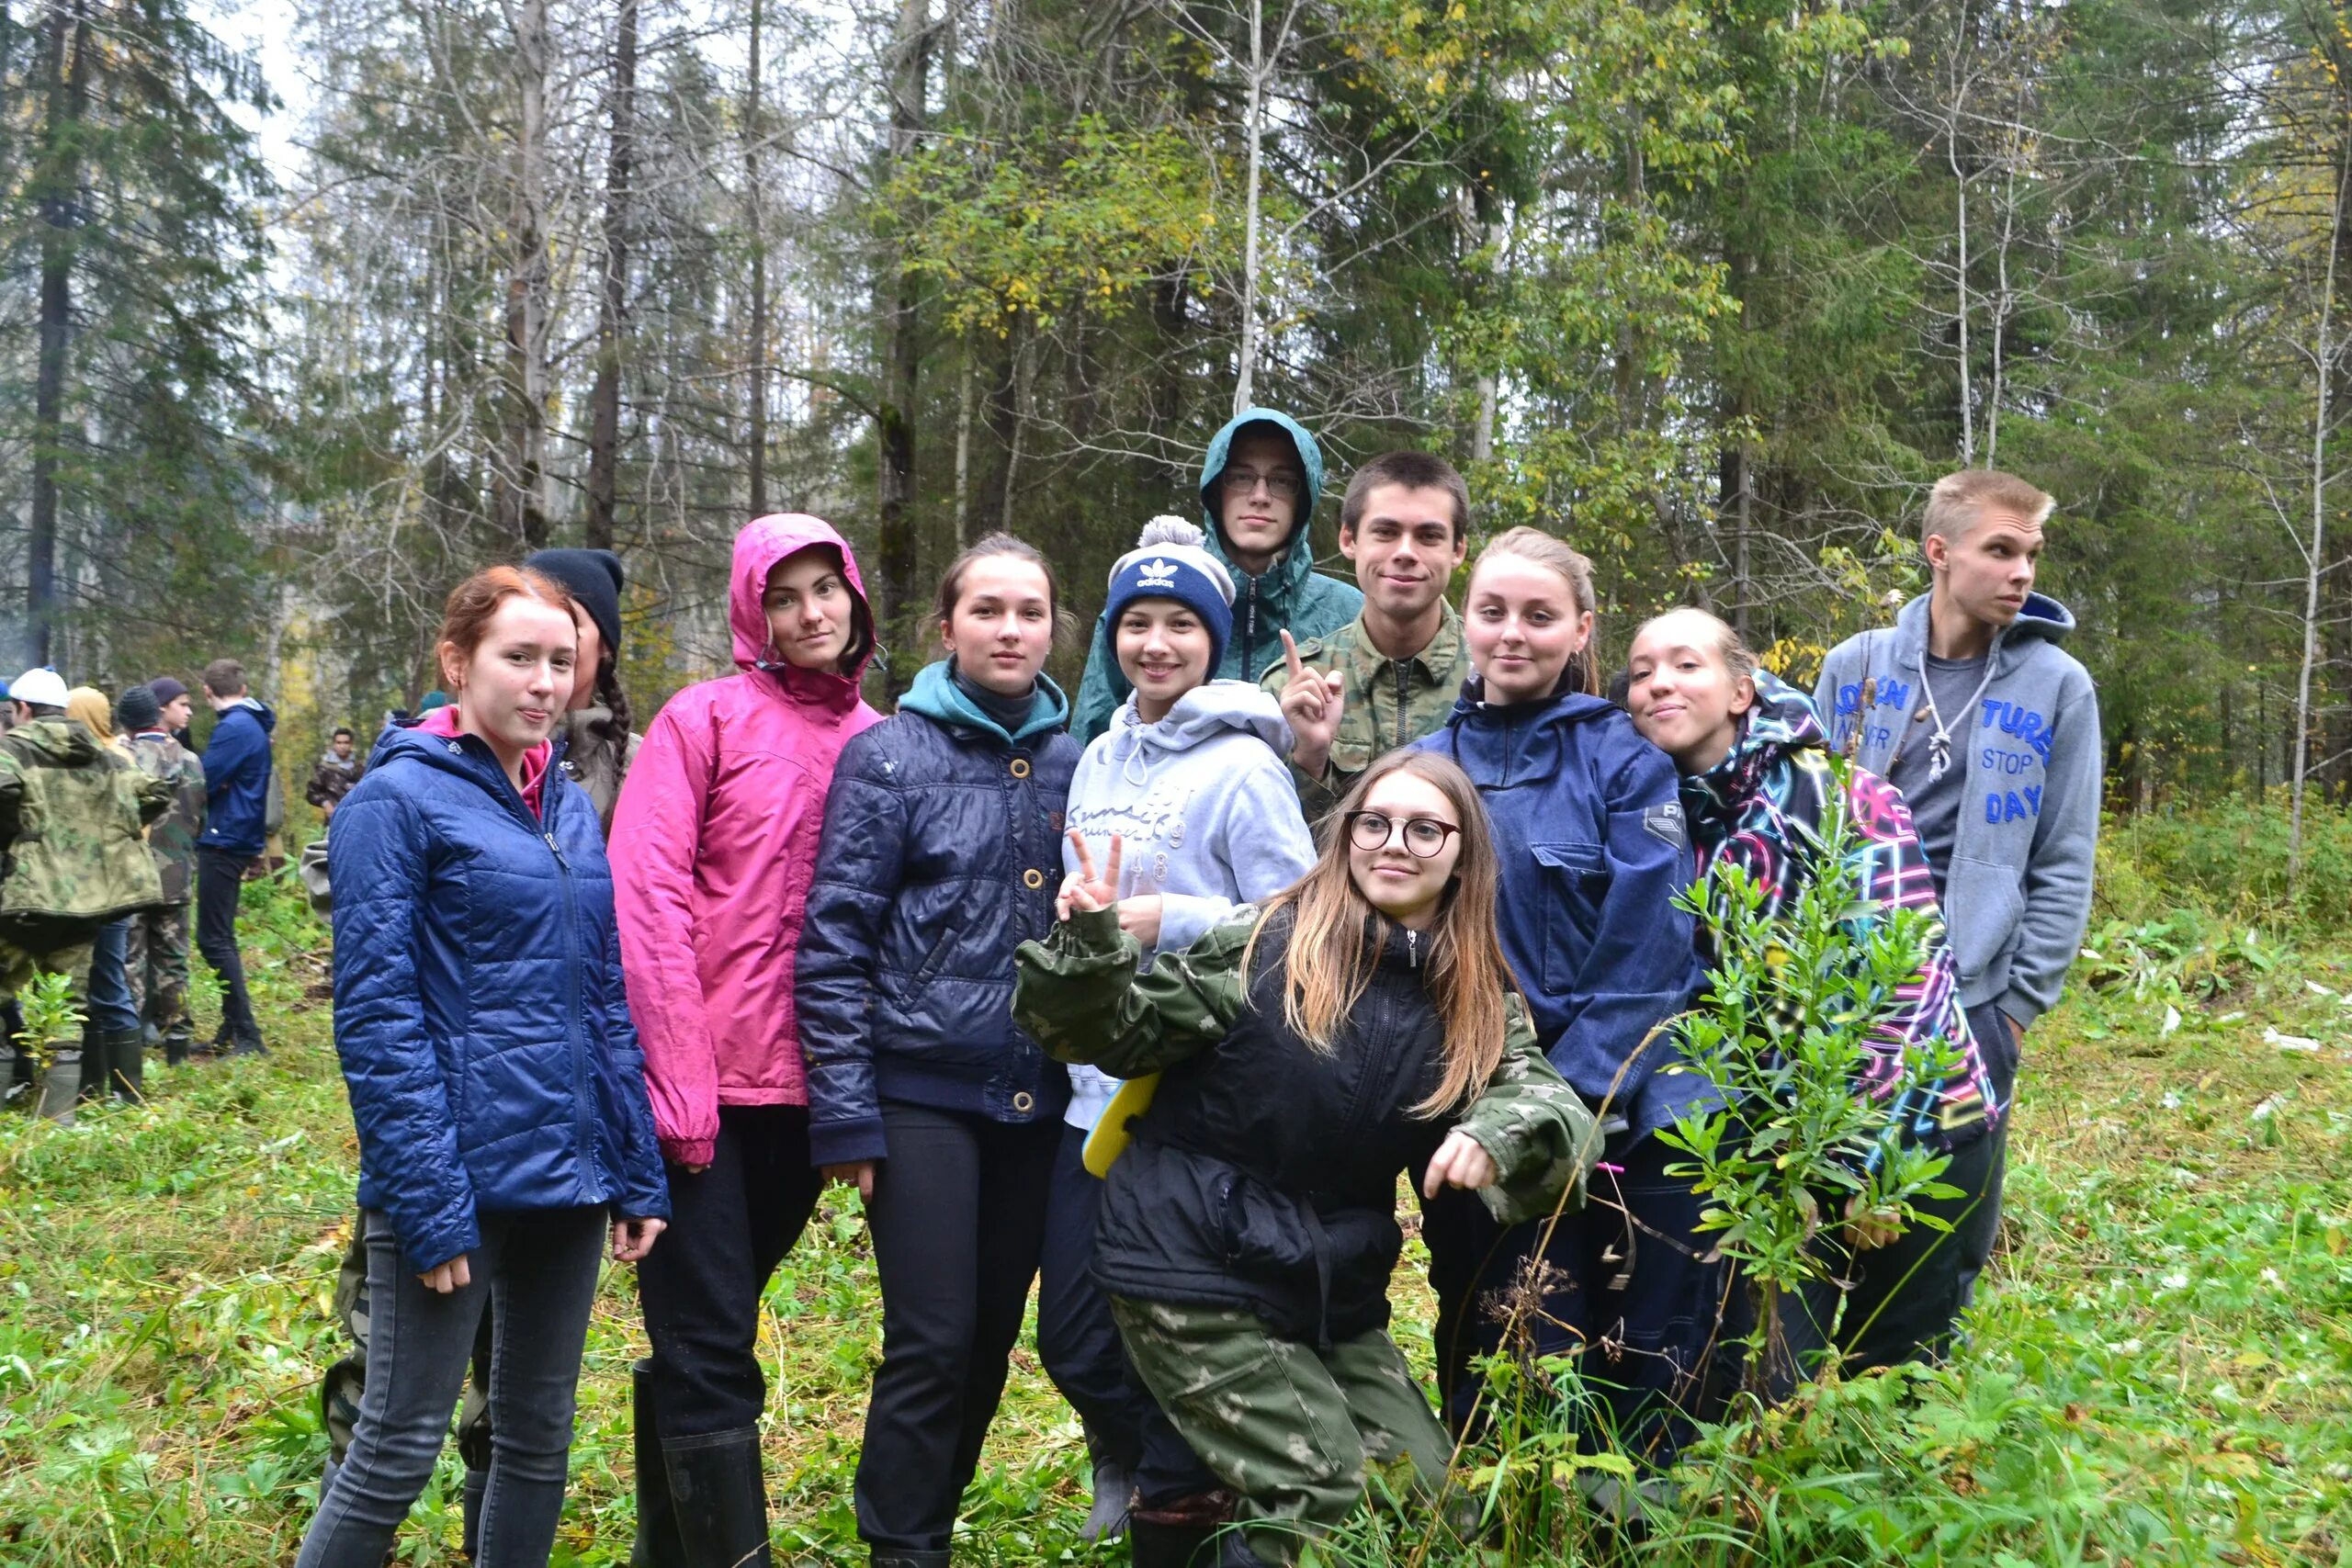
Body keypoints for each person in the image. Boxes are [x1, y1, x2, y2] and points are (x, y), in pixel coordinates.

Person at [1013, 751, 1594, 1567]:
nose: (1395, 844)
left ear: (1464, 852)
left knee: (1432, 1502)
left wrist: (1492, 1132)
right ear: (1345, 833)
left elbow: (1554, 1105)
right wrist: (1090, 949)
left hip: (1326, 1282)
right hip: (1189, 1257)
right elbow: (1113, 1035)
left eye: (1426, 828)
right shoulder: (1265, 942)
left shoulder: (1472, 990)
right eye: (1374, 823)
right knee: (1322, 1488)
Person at [300, 566, 668, 1568]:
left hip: (567, 1179)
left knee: (537, 1438)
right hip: (454, 1179)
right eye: (519, 659)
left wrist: (633, 1166)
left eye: (561, 661)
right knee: (395, 1450)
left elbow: (601, 997)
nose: (545, 682)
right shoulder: (394, 801)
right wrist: (425, 1195)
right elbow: (377, 1019)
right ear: (458, 663)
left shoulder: (566, 809)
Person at [797, 533, 1081, 1568]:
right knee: (931, 1337)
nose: (1011, 630)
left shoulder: (1077, 757)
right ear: (947, 627)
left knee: (991, 1343)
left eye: (1031, 612)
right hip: (920, 1093)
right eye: (989, 610)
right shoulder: (889, 757)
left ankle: (929, 1520)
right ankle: (900, 1548)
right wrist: (845, 1109)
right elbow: (834, 939)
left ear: (1055, 629)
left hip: (1036, 1098)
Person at [1624, 607, 2003, 1385]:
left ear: (1741, 689)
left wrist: (1845, 1162)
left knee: (1894, 1380)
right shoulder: (1661, 817)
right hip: (1777, 1147)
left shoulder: (1837, 799)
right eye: (1639, 670)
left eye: (1685, 663)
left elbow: (1902, 990)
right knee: (1766, 1381)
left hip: (1915, 1133)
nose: (1658, 680)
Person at [610, 515, 882, 1567]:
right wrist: (676, 1087)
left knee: (701, 1331)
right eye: (784, 595)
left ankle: (663, 1554)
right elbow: (647, 899)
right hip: (706, 1096)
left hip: (812, 1101)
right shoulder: (703, 720)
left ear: (855, 596)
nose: (811, 614)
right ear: (750, 610)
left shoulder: (878, 741)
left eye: (827, 590)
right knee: (713, 1341)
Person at [1411, 528, 1710, 1465]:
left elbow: (1651, 950)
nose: (1511, 634)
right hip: (1465, 1101)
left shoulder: (1625, 761)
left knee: (1630, 1344)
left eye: (1538, 616)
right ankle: (1490, 1512)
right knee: (1492, 1327)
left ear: (1580, 629)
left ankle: (1626, 1520)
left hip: (1618, 1103)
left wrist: (1551, 1100)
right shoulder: (1426, 764)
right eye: (1492, 612)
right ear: (1465, 620)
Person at [1047, 516, 1318, 1546]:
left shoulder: (1246, 768)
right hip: (1092, 1092)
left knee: (1177, 1335)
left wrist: (1179, 920)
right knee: (1074, 1341)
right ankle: (1133, 1458)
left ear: (1213, 641)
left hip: (1196, 1097)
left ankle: (1194, 1514)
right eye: (1138, 624)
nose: (1156, 644)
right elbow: (1090, 897)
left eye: (1181, 626)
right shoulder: (1097, 758)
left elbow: (1300, 919)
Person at [1814, 469, 2100, 1308]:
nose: (2022, 572)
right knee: (1826, 1188)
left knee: (1944, 1221)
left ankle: (1908, 1397)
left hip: (1973, 991)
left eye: (2032, 554)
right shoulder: (1856, 666)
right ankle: (1802, 1401)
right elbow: (1809, 818)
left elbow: (2064, 854)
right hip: (1848, 986)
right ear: (1940, 553)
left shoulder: (2058, 685)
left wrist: (2014, 1004)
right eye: (2000, 550)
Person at [1073, 409, 1363, 745]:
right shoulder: (1141, 609)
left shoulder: (1348, 616)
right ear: (1215, 491)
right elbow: (1089, 746)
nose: (1260, 496)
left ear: (1304, 498)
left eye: (1282, 481)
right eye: (1241, 477)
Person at [1262, 451, 1474, 822]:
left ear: (1458, 550)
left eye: (1428, 536)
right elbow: (1267, 843)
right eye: (1386, 532)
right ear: (1349, 539)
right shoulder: (1292, 688)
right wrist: (1309, 759)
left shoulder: (1492, 683)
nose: (1406, 553)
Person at [0, 669, 167, 1112]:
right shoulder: (105, 754)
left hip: (24, 895)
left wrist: (17, 836)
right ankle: (60, 1114)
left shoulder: (10, 748)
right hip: (87, 901)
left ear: (23, 709)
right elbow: (153, 796)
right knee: (70, 1002)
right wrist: (100, 842)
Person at [117, 684, 206, 1066]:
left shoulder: (121, 759)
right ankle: (178, 1044)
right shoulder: (190, 760)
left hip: (131, 877)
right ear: (157, 715)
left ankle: (131, 1040)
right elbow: (198, 818)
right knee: (173, 960)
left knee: (130, 958)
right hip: (176, 873)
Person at [195, 657, 275, 1056]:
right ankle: (233, 1029)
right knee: (219, 935)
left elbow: (201, 781)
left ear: (208, 692)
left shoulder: (235, 728)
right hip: (236, 834)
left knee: (212, 938)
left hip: (224, 837)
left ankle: (247, 1035)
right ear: (242, 689)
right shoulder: (248, 724)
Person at [526, 547, 639, 830]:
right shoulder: (452, 737)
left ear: (606, 648)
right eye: (529, 616)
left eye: (570, 621)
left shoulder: (641, 764)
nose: (548, 634)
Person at [307, 728, 363, 821]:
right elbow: (311, 792)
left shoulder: (360, 768)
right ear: (334, 744)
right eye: (339, 743)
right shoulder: (324, 768)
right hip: (334, 820)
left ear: (351, 744)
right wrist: (325, 803)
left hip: (357, 820)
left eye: (346, 742)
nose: (342, 746)